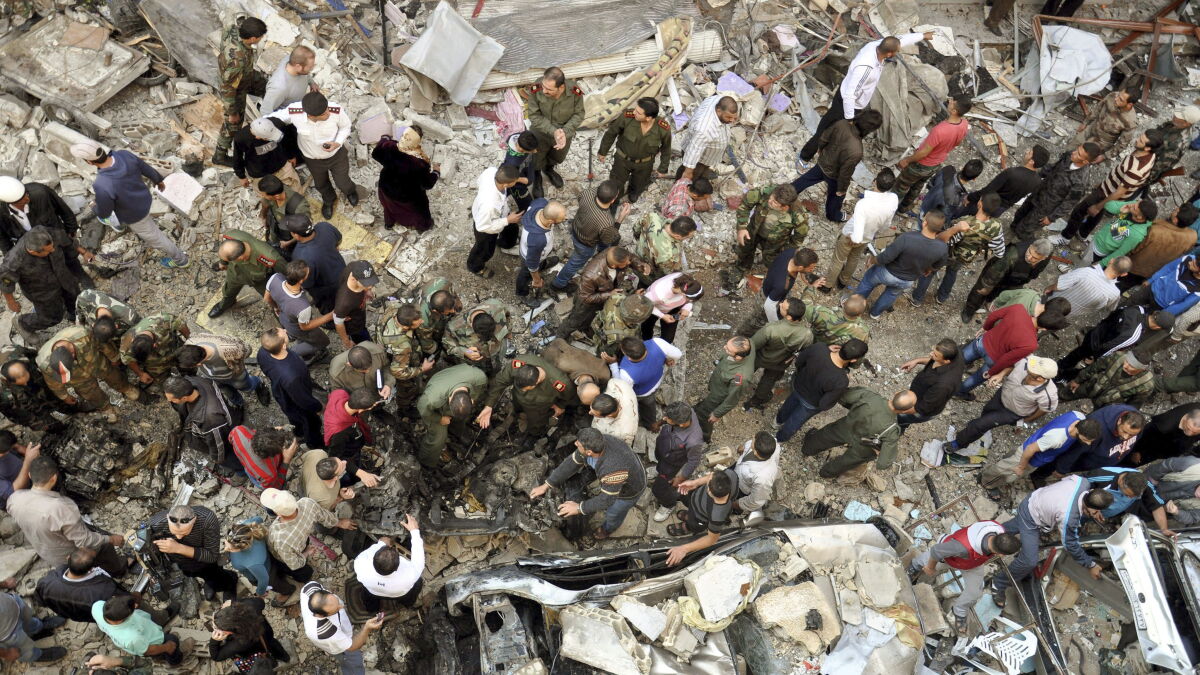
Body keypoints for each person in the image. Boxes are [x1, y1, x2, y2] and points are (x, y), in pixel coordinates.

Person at [797, 32, 931, 163]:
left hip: (856, 103)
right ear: (890, 54)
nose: (898, 51)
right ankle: (804, 158)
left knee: (840, 135)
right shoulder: (866, 68)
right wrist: (849, 119)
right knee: (825, 131)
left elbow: (899, 39)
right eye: (897, 51)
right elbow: (850, 95)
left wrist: (922, 36)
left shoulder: (878, 46)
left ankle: (827, 153)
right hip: (845, 105)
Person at [990, 479, 1113, 606]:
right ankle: (999, 583)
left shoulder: (1082, 482)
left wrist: (1092, 510)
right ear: (1089, 506)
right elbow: (1070, 544)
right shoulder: (1068, 516)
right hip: (1032, 517)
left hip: (1033, 500)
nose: (1095, 514)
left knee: (1015, 525)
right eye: (1094, 511)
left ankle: (990, 535)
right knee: (1029, 561)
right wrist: (1090, 565)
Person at [71, 139, 188, 268]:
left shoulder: (102, 184)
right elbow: (145, 167)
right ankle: (126, 224)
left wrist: (95, 208)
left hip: (135, 215)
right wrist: (158, 180)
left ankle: (181, 260)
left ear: (89, 162)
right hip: (144, 199)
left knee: (157, 239)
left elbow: (105, 212)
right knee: (144, 224)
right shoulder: (123, 155)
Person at [8, 456, 127, 576]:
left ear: (29, 475)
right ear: (54, 478)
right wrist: (111, 539)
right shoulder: (61, 507)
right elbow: (85, 541)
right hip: (71, 556)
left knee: (89, 531)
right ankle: (117, 572)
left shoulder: (14, 499)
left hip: (48, 554)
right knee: (105, 546)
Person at [530, 428, 646, 539]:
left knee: (613, 513)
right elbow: (571, 463)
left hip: (629, 490)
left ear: (589, 452)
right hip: (621, 467)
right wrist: (547, 484)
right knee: (586, 463)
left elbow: (607, 500)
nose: (575, 443)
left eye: (578, 444)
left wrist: (579, 508)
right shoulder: (597, 442)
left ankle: (608, 529)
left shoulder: (612, 470)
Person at [907, 522, 1021, 633]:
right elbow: (936, 551)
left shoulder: (998, 529)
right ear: (1000, 554)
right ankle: (914, 566)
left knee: (974, 592)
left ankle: (959, 611)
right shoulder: (962, 547)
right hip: (950, 557)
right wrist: (930, 567)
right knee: (925, 561)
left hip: (973, 563)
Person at [1060, 129, 1162, 252]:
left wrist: (1098, 206)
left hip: (1108, 193)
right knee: (1096, 215)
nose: (1137, 140)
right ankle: (1083, 233)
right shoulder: (1148, 154)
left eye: (1141, 140)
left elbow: (1119, 192)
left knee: (1080, 210)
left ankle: (1066, 237)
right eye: (1140, 136)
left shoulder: (1136, 169)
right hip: (1110, 188)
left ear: (1148, 148)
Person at [944, 355, 1060, 458]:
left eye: (1032, 371)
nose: (1029, 367)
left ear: (1040, 378)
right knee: (985, 415)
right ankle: (977, 429)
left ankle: (959, 443)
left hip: (1010, 413)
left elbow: (1044, 410)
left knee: (979, 425)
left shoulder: (1049, 395)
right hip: (1000, 396)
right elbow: (1012, 366)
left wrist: (1026, 420)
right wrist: (1001, 374)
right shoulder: (1027, 362)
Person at [268, 92, 359, 220]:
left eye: (326, 110)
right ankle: (329, 199)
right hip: (312, 159)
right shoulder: (295, 112)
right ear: (310, 115)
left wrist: (337, 142)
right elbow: (271, 119)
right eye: (323, 114)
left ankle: (350, 191)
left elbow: (345, 127)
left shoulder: (335, 110)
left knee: (342, 180)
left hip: (336, 155)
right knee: (321, 184)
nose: (328, 113)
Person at [911, 194, 1004, 308]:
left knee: (930, 272)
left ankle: (917, 298)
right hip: (965, 257)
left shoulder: (965, 223)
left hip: (947, 253)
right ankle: (942, 297)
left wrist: (954, 228)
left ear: (980, 204)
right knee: (952, 272)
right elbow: (999, 251)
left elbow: (943, 240)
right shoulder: (997, 226)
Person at [791, 110, 883, 222]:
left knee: (805, 180)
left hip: (823, 162)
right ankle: (834, 215)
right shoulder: (857, 150)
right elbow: (845, 173)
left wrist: (820, 149)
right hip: (834, 176)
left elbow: (824, 137)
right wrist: (842, 189)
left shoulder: (842, 123)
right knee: (836, 197)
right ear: (869, 130)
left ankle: (786, 193)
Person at [802, 389, 913, 478]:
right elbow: (883, 463)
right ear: (905, 411)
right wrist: (877, 452)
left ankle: (807, 449)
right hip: (863, 446)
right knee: (848, 461)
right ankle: (826, 473)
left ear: (896, 393)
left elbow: (844, 397)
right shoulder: (892, 430)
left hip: (846, 426)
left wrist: (854, 410)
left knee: (827, 435)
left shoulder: (870, 396)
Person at [856, 209, 948, 317]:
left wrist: (872, 260)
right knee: (891, 294)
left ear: (925, 223)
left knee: (868, 282)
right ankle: (875, 313)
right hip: (907, 281)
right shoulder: (942, 248)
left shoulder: (907, 238)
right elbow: (939, 264)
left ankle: (855, 307)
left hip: (888, 273)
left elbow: (886, 257)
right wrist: (929, 269)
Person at [893, 96, 973, 216]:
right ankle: (903, 208)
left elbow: (924, 153)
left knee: (902, 186)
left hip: (921, 164)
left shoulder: (940, 130)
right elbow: (957, 143)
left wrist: (907, 160)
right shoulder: (964, 124)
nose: (950, 101)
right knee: (917, 186)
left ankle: (890, 208)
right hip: (935, 164)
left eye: (952, 102)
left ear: (954, 111)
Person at [956, 302, 1056, 397]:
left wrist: (986, 328)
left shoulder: (1019, 309)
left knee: (959, 358)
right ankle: (959, 392)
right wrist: (992, 372)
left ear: (1041, 313)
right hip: (993, 360)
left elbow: (993, 316)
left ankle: (948, 368)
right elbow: (1007, 359)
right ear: (1045, 329)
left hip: (983, 342)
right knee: (976, 378)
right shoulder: (1032, 344)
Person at [775, 339, 866, 442]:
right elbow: (825, 404)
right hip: (810, 404)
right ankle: (779, 439)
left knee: (788, 405)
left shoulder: (819, 347)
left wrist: (826, 350)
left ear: (842, 346)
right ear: (853, 360)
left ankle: (777, 422)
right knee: (794, 423)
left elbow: (799, 361)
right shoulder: (841, 380)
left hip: (798, 386)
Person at [0, 176, 90, 281]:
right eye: (21, 200)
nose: (27, 198)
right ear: (10, 203)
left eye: (26, 194)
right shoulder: (1, 212)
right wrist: (12, 257)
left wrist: (71, 232)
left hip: (56, 239)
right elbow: (3, 239)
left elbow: (64, 210)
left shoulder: (41, 193)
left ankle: (82, 277)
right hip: (32, 249)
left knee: (70, 258)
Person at [0, 227, 86, 336]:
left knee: (76, 300)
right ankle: (24, 323)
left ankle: (74, 317)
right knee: (52, 318)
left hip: (64, 277)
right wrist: (11, 302)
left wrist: (84, 252)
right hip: (42, 292)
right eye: (48, 251)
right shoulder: (14, 261)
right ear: (33, 252)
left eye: (52, 247)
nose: (53, 250)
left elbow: (67, 241)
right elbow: (5, 283)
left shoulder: (47, 234)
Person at [980, 412, 1098, 488]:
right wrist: (1021, 467)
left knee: (1009, 459)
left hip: (1035, 443)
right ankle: (986, 482)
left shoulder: (1079, 416)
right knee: (1005, 470)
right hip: (1030, 457)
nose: (1088, 443)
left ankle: (993, 473)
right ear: (1079, 431)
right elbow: (1030, 449)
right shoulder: (1057, 438)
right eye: (1087, 440)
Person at [147, 504, 239, 601]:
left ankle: (230, 584)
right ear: (167, 517)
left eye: (184, 533)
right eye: (174, 532)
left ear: (194, 520)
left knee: (215, 574)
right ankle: (210, 582)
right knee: (195, 574)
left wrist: (178, 548)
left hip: (204, 560)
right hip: (180, 562)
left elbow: (212, 556)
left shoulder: (207, 519)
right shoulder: (155, 523)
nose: (178, 537)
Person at [1012, 142, 1101, 242]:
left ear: (1085, 161)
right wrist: (1035, 176)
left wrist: (1051, 218)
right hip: (1038, 192)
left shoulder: (1080, 182)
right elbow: (1053, 167)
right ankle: (1011, 232)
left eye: (1079, 154)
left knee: (1025, 228)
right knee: (1020, 214)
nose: (1074, 153)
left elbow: (1068, 204)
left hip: (1045, 208)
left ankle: (1016, 243)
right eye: (1077, 149)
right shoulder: (1069, 156)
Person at [38, 323, 139, 409]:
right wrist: (64, 396)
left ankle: (126, 388)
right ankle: (106, 408)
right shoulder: (44, 363)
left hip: (98, 364)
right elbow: (53, 383)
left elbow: (102, 344)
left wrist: (114, 357)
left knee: (114, 376)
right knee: (92, 395)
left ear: (73, 355)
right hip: (79, 380)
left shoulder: (83, 335)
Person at [480, 352, 576, 442]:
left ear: (536, 382)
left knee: (536, 425)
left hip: (538, 408)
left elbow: (571, 395)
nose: (523, 391)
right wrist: (489, 405)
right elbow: (500, 381)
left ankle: (534, 435)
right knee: (517, 408)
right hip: (517, 399)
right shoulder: (519, 364)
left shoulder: (559, 382)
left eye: (526, 389)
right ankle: (517, 415)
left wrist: (560, 405)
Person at [1057, 306, 1174, 380]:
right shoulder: (1133, 335)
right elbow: (1110, 348)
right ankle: (1062, 376)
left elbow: (1112, 315)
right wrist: (1096, 359)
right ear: (1157, 327)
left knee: (1077, 353)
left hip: (1095, 332)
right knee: (1084, 366)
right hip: (1097, 347)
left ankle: (1060, 365)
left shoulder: (1137, 309)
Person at [264, 489, 355, 581]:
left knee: (305, 573)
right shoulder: (307, 503)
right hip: (301, 542)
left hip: (285, 555)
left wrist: (307, 552)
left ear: (278, 514)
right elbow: (325, 517)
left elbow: (295, 565)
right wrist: (339, 522)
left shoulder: (278, 537)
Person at [828, 169, 898, 290]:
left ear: (875, 181)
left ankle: (827, 285)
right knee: (854, 258)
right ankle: (843, 281)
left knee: (838, 260)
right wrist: (875, 232)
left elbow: (857, 236)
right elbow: (886, 224)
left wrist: (853, 238)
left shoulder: (863, 204)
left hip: (850, 236)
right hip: (868, 237)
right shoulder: (893, 199)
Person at [257, 328, 325, 450]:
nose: (285, 330)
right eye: (284, 333)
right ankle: (315, 444)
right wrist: (318, 407)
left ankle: (298, 432)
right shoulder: (292, 376)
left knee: (293, 417)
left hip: (281, 392)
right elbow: (303, 400)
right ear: (283, 346)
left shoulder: (262, 352)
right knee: (311, 423)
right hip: (294, 398)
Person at [551, 181, 626, 291]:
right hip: (585, 244)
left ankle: (601, 252)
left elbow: (583, 198)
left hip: (577, 228)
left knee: (602, 244)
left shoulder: (587, 193)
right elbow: (608, 239)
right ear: (613, 200)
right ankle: (558, 284)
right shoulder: (607, 222)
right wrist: (620, 218)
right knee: (574, 263)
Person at [213, 16, 267, 165]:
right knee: (233, 124)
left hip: (245, 75)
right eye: (260, 37)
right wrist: (232, 112)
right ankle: (219, 155)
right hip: (235, 88)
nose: (261, 39)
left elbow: (228, 26)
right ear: (252, 39)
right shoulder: (238, 60)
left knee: (264, 83)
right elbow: (228, 87)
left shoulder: (234, 31)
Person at [164, 375, 244, 474]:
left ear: (184, 398)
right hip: (222, 419)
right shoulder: (194, 381)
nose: (169, 401)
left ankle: (241, 471)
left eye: (172, 400)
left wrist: (218, 459)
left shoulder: (210, 419)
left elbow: (219, 445)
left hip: (222, 435)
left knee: (229, 458)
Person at [598, 97, 673, 203]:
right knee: (616, 182)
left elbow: (666, 148)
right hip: (622, 160)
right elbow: (611, 133)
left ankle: (633, 193)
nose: (634, 112)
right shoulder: (627, 118)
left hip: (645, 164)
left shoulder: (662, 128)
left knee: (639, 183)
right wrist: (603, 152)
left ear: (648, 118)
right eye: (635, 109)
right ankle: (616, 198)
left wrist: (662, 169)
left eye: (638, 112)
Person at [558, 246, 644, 338]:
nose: (629, 263)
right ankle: (560, 336)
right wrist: (609, 294)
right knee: (574, 322)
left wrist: (640, 265)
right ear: (614, 266)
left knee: (592, 316)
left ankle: (584, 327)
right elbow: (586, 297)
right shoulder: (591, 275)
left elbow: (629, 256)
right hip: (586, 303)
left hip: (602, 296)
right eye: (626, 263)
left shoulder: (615, 253)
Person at [301, 581, 385, 674]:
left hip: (339, 631)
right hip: (341, 649)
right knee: (352, 661)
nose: (341, 606)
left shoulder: (310, 587)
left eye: (337, 602)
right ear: (323, 615)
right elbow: (352, 647)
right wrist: (367, 628)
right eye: (336, 609)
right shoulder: (327, 633)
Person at [745, 297, 814, 411]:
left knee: (747, 371)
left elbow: (753, 344)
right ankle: (756, 400)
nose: (780, 304)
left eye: (783, 306)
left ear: (789, 317)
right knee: (769, 380)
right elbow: (804, 350)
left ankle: (735, 386)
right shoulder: (807, 334)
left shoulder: (771, 329)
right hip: (781, 362)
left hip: (761, 357)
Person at [961, 238, 1054, 322]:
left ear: (1043, 258)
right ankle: (970, 309)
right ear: (1030, 246)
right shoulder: (1012, 254)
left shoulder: (1047, 255)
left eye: (1035, 258)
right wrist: (986, 288)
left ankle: (989, 300)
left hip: (1016, 279)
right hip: (996, 273)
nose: (1029, 257)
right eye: (1029, 252)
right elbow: (992, 276)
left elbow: (1037, 271)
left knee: (1000, 292)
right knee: (981, 291)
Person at [737, 247, 822, 337]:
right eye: (811, 268)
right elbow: (769, 306)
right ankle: (740, 336)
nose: (812, 270)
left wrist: (807, 281)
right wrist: (776, 325)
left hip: (770, 284)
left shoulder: (792, 252)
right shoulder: (782, 284)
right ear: (800, 267)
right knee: (755, 323)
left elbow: (802, 255)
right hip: (766, 300)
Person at [732, 184, 809, 283]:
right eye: (771, 197)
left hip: (776, 242)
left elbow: (799, 238)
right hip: (753, 230)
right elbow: (745, 205)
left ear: (784, 207)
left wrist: (785, 250)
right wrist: (742, 227)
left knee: (772, 260)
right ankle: (742, 268)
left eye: (774, 202)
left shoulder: (798, 215)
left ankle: (771, 275)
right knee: (745, 249)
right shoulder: (764, 192)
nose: (769, 201)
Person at [416, 364, 486, 468]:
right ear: (449, 400)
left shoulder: (480, 378)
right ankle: (426, 462)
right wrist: (440, 419)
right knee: (439, 436)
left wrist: (474, 398)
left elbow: (479, 390)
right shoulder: (432, 398)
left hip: (454, 384)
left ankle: (455, 432)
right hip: (438, 388)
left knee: (462, 415)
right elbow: (422, 407)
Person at [664, 468, 738, 566]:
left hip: (701, 518)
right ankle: (690, 516)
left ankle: (689, 527)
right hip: (696, 503)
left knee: (695, 523)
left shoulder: (717, 515)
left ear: (710, 492)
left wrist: (684, 549)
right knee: (691, 512)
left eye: (708, 483)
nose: (709, 476)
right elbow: (712, 476)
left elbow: (711, 539)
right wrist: (695, 483)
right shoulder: (730, 474)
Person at [526, 67, 585, 188]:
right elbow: (534, 115)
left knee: (558, 155)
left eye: (549, 89)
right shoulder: (536, 88)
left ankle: (549, 169)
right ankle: (537, 174)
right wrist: (553, 131)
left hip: (564, 131)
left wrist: (564, 132)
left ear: (561, 87)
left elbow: (579, 114)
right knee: (537, 154)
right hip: (541, 129)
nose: (544, 91)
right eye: (543, 86)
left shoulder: (574, 91)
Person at [265, 260, 333, 364]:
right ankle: (287, 353)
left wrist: (276, 307)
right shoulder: (302, 306)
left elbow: (267, 298)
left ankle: (305, 352)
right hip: (297, 327)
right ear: (301, 281)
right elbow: (305, 327)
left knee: (301, 338)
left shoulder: (275, 278)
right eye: (307, 273)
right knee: (323, 341)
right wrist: (330, 316)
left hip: (284, 318)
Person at [373, 127, 440, 232]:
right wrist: (436, 172)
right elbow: (427, 184)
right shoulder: (420, 163)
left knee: (388, 206)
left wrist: (385, 138)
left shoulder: (390, 147)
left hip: (386, 187)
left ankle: (389, 224)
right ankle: (424, 226)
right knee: (421, 211)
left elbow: (376, 153)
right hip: (407, 196)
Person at [352, 514, 424, 611]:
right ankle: (407, 604)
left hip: (372, 590)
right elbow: (418, 556)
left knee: (368, 598)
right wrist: (414, 531)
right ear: (397, 567)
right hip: (399, 594)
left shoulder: (360, 563)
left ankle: (372, 609)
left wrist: (382, 542)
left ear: (373, 558)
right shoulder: (410, 575)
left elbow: (381, 542)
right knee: (418, 583)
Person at [1051, 405, 1145, 476]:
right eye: (1124, 431)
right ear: (1119, 421)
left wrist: (1135, 451)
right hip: (1085, 462)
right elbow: (1075, 450)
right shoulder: (1098, 428)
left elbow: (1138, 438)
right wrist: (1061, 469)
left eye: (1131, 435)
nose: (1126, 437)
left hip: (1107, 462)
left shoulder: (1137, 423)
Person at [649, 402, 704, 523]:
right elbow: (667, 418)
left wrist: (680, 478)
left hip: (671, 464)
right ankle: (658, 470)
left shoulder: (694, 441)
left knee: (658, 489)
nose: (665, 419)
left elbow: (693, 461)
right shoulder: (685, 410)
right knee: (659, 461)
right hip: (664, 451)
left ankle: (668, 504)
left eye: (668, 419)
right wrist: (659, 423)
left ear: (681, 424)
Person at [179, 331, 266, 407]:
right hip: (214, 378)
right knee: (229, 393)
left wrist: (235, 361)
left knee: (247, 387)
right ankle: (239, 403)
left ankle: (259, 383)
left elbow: (247, 350)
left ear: (198, 364)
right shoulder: (189, 343)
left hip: (235, 376)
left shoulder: (228, 350)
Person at [35, 547, 121, 623]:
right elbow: (120, 605)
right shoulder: (103, 589)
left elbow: (40, 599)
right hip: (92, 617)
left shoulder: (48, 581)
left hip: (70, 614)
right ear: (91, 568)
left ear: (68, 558)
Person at [93, 595, 185, 666]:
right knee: (173, 640)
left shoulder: (97, 606)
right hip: (153, 643)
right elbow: (149, 650)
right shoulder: (132, 637)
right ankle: (175, 660)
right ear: (120, 620)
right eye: (133, 609)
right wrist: (167, 647)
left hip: (143, 638)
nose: (136, 605)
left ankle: (162, 656)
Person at [224, 518, 297, 607]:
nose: (225, 549)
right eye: (226, 543)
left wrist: (260, 592)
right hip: (268, 559)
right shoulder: (244, 529)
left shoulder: (252, 563)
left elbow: (264, 580)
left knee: (275, 584)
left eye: (230, 549)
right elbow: (259, 519)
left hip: (267, 574)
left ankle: (288, 591)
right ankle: (282, 575)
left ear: (242, 547)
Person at [611, 336, 682, 428]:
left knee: (645, 404)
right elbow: (678, 354)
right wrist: (669, 359)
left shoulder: (626, 373)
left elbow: (621, 388)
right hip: (657, 379)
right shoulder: (658, 342)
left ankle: (648, 424)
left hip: (643, 393)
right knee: (650, 407)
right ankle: (652, 423)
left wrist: (613, 364)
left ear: (627, 356)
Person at [694, 337, 755, 441]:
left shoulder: (740, 377)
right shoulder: (748, 343)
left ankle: (705, 436)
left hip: (718, 396)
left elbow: (732, 399)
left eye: (728, 350)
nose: (724, 347)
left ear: (738, 357)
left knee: (704, 416)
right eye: (727, 345)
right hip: (716, 385)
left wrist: (717, 414)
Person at [467, 165, 522, 279]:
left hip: (501, 213)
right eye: (515, 181)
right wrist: (507, 220)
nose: (516, 183)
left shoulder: (492, 171)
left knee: (512, 229)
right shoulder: (489, 205)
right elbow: (483, 227)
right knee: (484, 250)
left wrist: (507, 220)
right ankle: (475, 267)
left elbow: (479, 182)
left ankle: (506, 243)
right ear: (505, 184)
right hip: (485, 226)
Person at [897, 338, 967, 429]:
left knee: (899, 421)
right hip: (919, 393)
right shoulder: (954, 352)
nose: (931, 354)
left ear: (947, 361)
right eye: (933, 351)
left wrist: (897, 410)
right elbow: (935, 361)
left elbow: (922, 408)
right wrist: (917, 361)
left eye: (935, 355)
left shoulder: (943, 385)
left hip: (919, 409)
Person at [1125, 204, 1200, 287]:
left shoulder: (1155, 230)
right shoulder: (1192, 236)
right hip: (1151, 272)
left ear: (1175, 220)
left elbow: (1134, 248)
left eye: (1176, 211)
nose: (1174, 209)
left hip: (1132, 266)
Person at [209, 229, 279, 319]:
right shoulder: (230, 237)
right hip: (235, 274)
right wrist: (223, 263)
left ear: (241, 258)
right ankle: (225, 304)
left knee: (274, 298)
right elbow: (226, 252)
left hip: (260, 280)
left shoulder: (269, 257)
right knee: (228, 291)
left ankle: (281, 315)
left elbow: (285, 273)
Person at [286, 214, 346, 313]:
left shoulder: (299, 256)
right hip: (343, 272)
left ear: (296, 235)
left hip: (327, 290)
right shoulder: (324, 226)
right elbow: (339, 240)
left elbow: (307, 283)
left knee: (330, 308)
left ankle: (332, 320)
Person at [1083, 468, 1171, 535]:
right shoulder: (1102, 476)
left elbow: (1156, 506)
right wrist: (1090, 506)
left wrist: (1164, 529)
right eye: (1127, 495)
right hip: (1084, 508)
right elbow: (1078, 486)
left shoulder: (1144, 484)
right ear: (1121, 481)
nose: (1130, 498)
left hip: (1103, 515)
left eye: (1134, 497)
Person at [209, 596, 290, 667]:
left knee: (267, 651)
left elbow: (216, 657)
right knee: (273, 644)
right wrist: (233, 602)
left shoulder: (238, 644)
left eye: (216, 627)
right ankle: (285, 657)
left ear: (229, 632)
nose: (213, 626)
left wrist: (214, 641)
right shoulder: (251, 607)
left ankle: (276, 662)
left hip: (256, 649)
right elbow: (260, 602)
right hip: (267, 634)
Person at [0, 352, 73, 430]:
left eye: (26, 379)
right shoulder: (4, 396)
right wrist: (37, 424)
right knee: (50, 425)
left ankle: (70, 408)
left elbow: (38, 357)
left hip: (37, 383)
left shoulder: (22, 357)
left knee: (56, 399)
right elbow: (17, 415)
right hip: (24, 405)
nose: (25, 384)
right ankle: (57, 428)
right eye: (21, 383)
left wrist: (64, 396)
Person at [1138, 106, 1200, 197]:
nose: (1175, 115)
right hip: (1146, 154)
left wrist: (1140, 182)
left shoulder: (1178, 144)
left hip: (1147, 168)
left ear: (1186, 123)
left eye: (1179, 116)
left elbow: (1158, 167)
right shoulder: (1175, 124)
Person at [516, 199, 567, 306]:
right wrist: (537, 280)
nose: (565, 219)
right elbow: (531, 263)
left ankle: (543, 264)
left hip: (537, 254)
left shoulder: (541, 203)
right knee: (525, 273)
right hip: (529, 258)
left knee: (539, 262)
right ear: (551, 221)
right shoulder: (538, 240)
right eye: (562, 219)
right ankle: (522, 293)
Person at [1045, 256, 1130, 319]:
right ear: (1124, 274)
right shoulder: (1115, 293)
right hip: (1071, 312)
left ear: (1111, 261)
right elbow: (1111, 308)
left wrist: (1049, 288)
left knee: (1044, 309)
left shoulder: (1087, 272)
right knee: (1052, 320)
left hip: (1055, 300)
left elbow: (1060, 285)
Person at [1062, 350, 1155, 408]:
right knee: (1065, 393)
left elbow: (1133, 405)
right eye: (1127, 361)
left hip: (1108, 404)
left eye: (1132, 366)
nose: (1126, 366)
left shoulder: (1146, 384)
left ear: (1142, 369)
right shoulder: (1117, 356)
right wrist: (1077, 380)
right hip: (1091, 386)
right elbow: (1094, 367)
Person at [233, 118, 301, 193]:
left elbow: (287, 139)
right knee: (269, 196)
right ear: (258, 137)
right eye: (269, 138)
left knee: (296, 190)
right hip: (261, 174)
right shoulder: (241, 138)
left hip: (282, 165)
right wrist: (241, 177)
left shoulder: (277, 123)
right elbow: (238, 158)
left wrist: (291, 155)